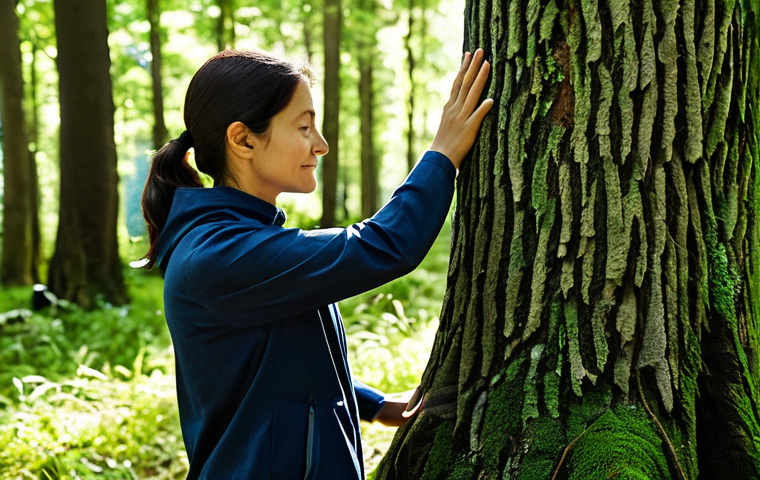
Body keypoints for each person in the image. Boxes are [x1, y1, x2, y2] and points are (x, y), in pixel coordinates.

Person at [141, 47, 492, 479]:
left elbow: (274, 366)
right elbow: (385, 245)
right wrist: (442, 155)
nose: (321, 145)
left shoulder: (240, 242)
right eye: (305, 127)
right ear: (243, 139)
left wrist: (372, 404)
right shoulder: (219, 255)